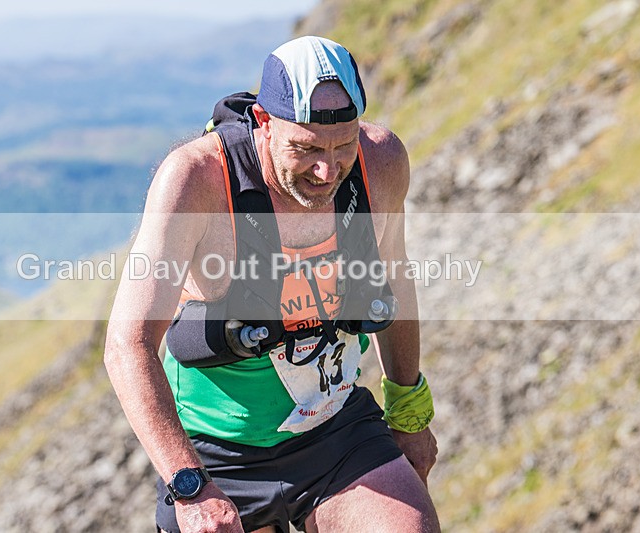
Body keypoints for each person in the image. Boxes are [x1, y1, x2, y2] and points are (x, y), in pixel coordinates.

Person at [105, 36, 440, 532]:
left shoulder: (380, 162)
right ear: (264, 122)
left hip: (336, 432)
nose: (327, 170)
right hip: (215, 455)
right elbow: (126, 345)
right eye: (305, 148)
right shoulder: (196, 180)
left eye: (342, 144)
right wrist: (189, 487)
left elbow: (394, 280)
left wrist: (409, 409)